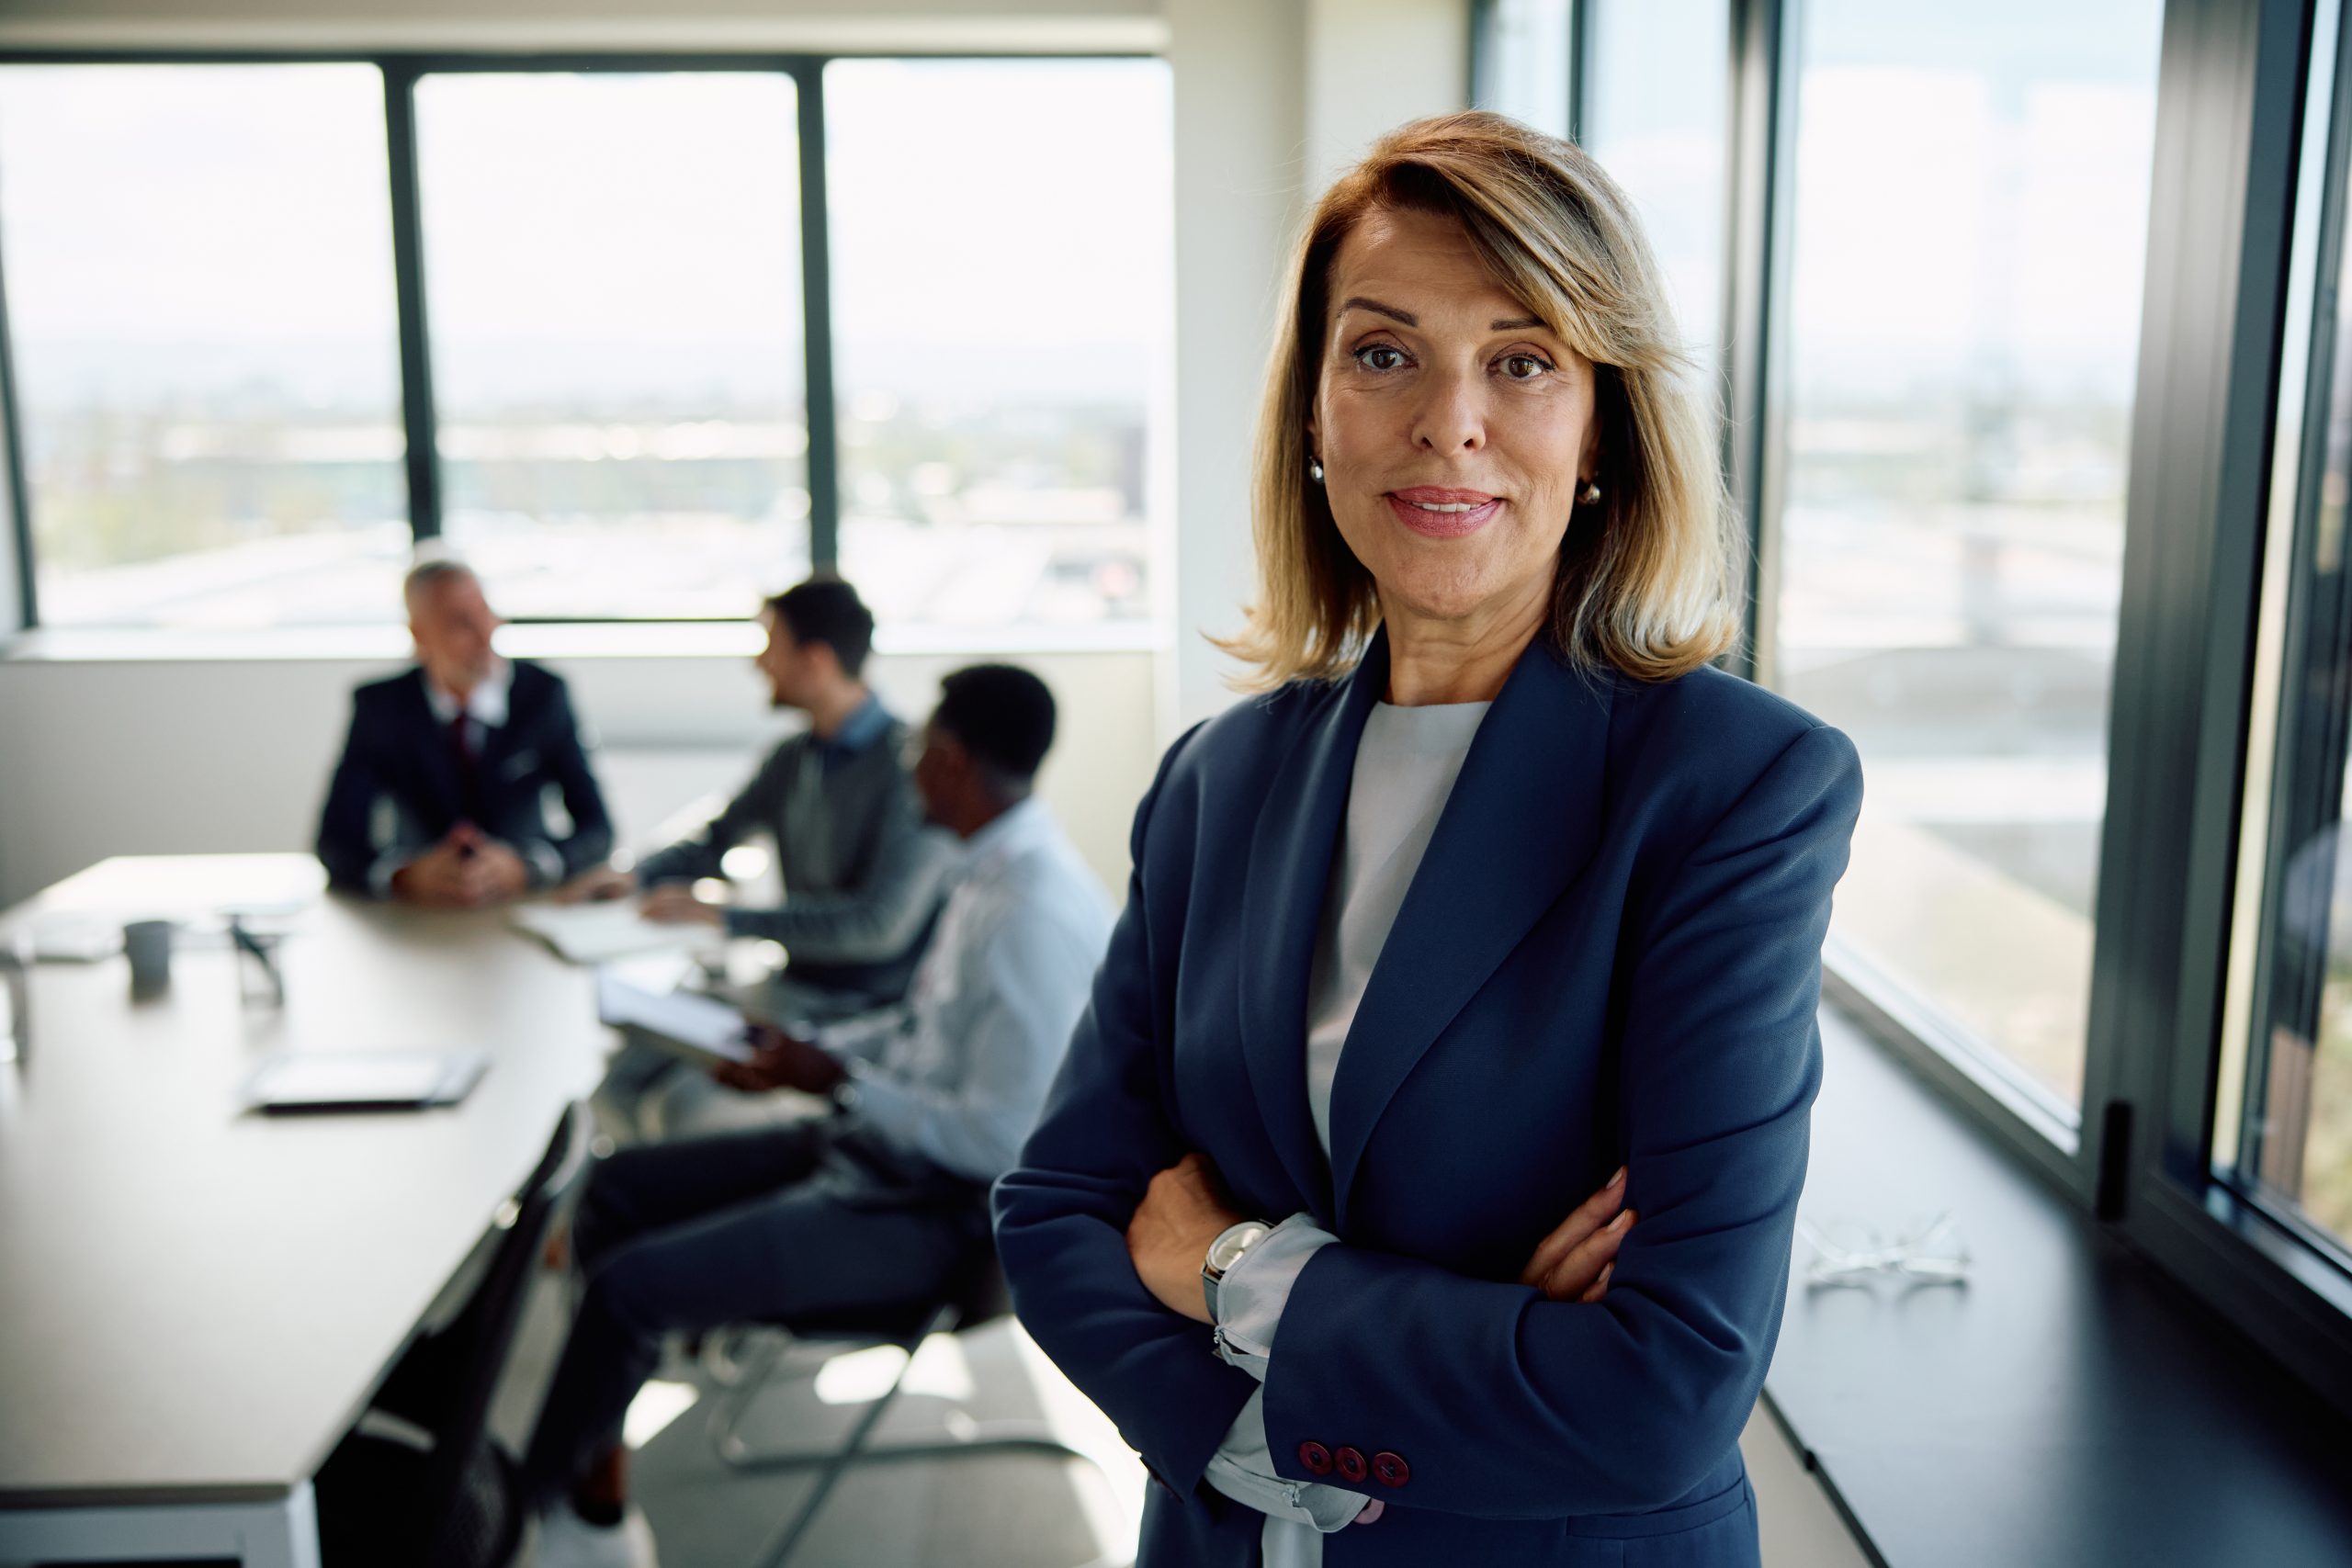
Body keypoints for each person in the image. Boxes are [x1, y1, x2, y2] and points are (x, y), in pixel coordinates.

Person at [992, 112, 1863, 1568]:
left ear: (1602, 426)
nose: (1448, 419)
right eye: (1384, 352)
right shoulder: (1219, 778)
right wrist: (1300, 1411)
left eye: (1522, 360)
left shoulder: (1734, 786)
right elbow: (1060, 1208)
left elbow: (1664, 1387)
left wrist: (1224, 1264)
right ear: (1314, 412)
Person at [525, 664, 1112, 1568]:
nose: (909, 763)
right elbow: (922, 1031)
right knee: (614, 1188)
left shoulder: (1032, 910)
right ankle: (593, 1468)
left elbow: (1001, 1142)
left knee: (625, 1292)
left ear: (950, 761)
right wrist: (811, 1048)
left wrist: (836, 1081)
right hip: (878, 1152)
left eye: (919, 749)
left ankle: (531, 1518)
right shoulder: (988, 866)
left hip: (942, 1220)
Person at [584, 577, 961, 1139]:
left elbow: (877, 926)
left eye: (769, 647)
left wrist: (726, 919)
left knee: (680, 1105)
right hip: (788, 988)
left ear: (814, 661)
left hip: (857, 1008)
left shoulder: (911, 769)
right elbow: (717, 839)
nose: (758, 666)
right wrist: (632, 875)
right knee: (622, 1074)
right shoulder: (795, 756)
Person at [315, 558, 614, 905]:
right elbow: (335, 843)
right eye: (460, 623)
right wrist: (403, 875)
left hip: (521, 905)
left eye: (485, 611)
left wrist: (527, 866)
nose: (484, 633)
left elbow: (597, 830)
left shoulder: (543, 695)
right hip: (421, 914)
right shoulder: (381, 706)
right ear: (419, 636)